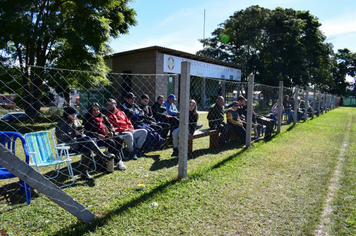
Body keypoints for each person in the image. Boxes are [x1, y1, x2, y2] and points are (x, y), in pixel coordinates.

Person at [55, 106, 115, 180]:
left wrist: (95, 134)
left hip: (77, 143)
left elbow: (85, 131)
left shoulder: (76, 121)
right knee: (87, 140)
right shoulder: (62, 123)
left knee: (87, 146)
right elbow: (60, 136)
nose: (75, 116)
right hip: (67, 146)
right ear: (67, 115)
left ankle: (85, 173)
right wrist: (73, 133)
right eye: (72, 114)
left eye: (75, 114)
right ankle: (102, 157)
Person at [83, 103, 126, 170]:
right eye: (94, 110)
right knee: (111, 142)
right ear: (90, 111)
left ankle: (111, 158)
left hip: (107, 135)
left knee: (120, 139)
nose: (96, 112)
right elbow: (86, 132)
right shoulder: (88, 119)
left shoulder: (103, 117)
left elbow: (110, 126)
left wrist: (111, 132)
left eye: (97, 110)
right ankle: (118, 161)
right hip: (96, 139)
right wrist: (97, 135)